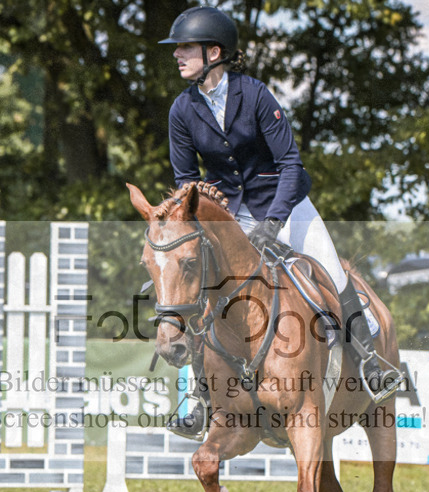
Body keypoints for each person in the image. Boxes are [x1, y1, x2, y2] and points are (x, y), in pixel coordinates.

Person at [159, 6, 397, 438]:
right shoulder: (181, 109)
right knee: (206, 290)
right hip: (229, 215)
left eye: (186, 48)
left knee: (332, 274)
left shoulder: (254, 95)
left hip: (285, 203)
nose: (177, 55)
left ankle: (370, 361)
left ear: (214, 52)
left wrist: (274, 219)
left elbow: (290, 162)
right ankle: (199, 396)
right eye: (177, 49)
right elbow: (185, 181)